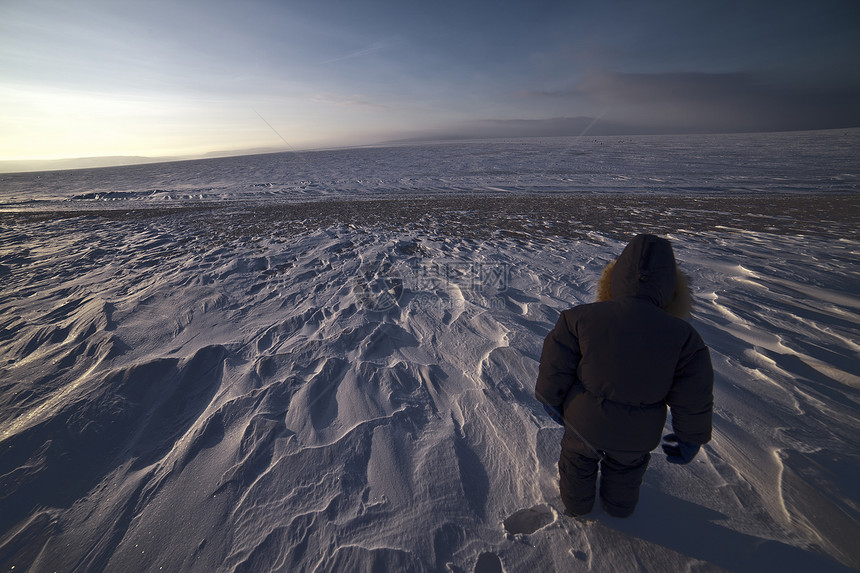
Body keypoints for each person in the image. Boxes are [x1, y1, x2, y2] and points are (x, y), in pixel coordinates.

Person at [535, 234, 713, 518]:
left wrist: (551, 400)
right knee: (627, 472)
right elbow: (694, 395)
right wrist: (690, 436)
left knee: (577, 465)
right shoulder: (684, 337)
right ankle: (619, 509)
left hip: (584, 423)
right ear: (672, 288)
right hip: (638, 435)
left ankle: (577, 507)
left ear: (614, 278)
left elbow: (555, 365)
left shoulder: (578, 318)